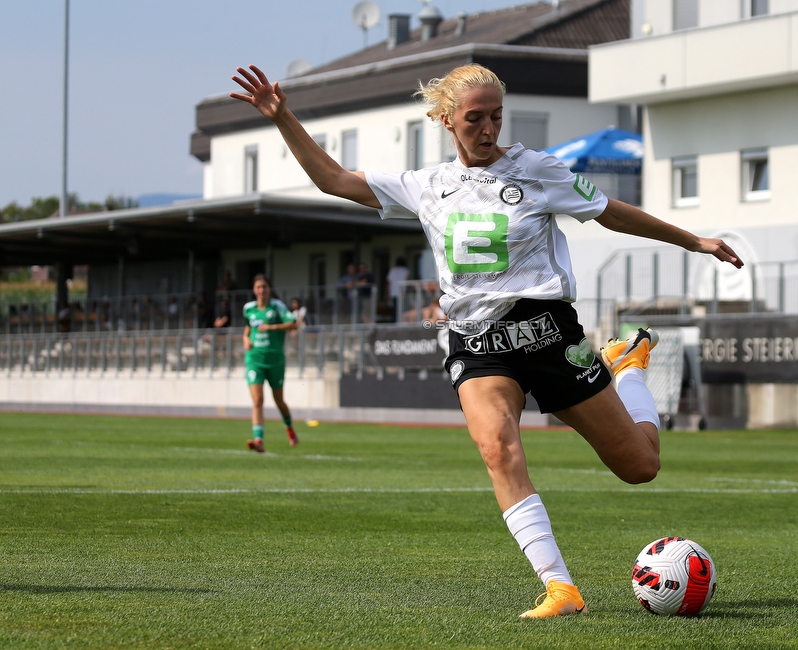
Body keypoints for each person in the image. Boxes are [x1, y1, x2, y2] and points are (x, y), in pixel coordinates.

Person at [231, 63, 741, 618]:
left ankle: (629, 366)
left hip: (548, 335)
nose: (488, 128)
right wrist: (284, 119)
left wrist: (693, 240)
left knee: (640, 466)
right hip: (476, 343)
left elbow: (610, 213)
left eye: (496, 116)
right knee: (497, 447)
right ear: (446, 119)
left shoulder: (539, 171)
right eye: (475, 118)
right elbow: (333, 179)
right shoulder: (425, 185)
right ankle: (559, 587)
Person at [243, 274, 299, 452]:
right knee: (258, 400)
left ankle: (289, 428)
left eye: (264, 287)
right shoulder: (248, 309)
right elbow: (247, 330)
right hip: (255, 361)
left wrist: (272, 327)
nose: (261, 290)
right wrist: (245, 339)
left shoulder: (277, 307)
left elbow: (293, 324)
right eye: (258, 287)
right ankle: (258, 440)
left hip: (275, 361)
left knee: (279, 400)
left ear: (269, 289)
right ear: (254, 289)